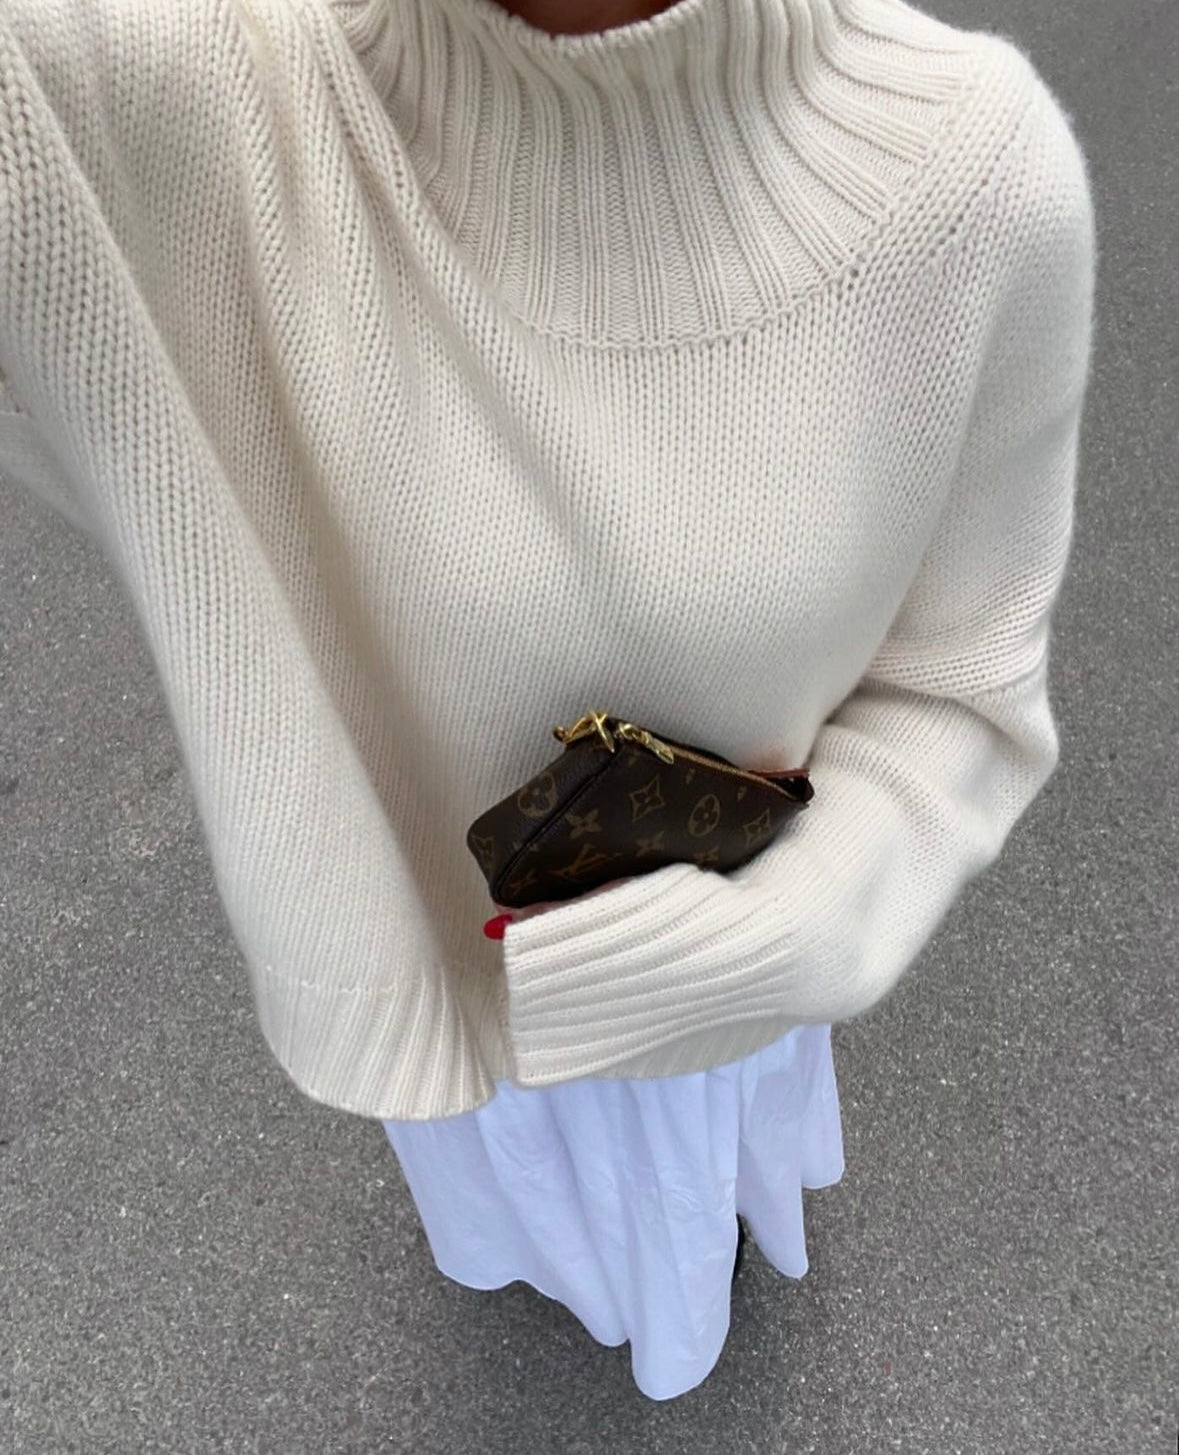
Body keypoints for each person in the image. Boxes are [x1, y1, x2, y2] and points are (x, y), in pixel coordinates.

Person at [0, 0, 1095, 1404]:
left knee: (691, 1192)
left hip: (747, 942)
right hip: (446, 951)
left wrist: (779, 942)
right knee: (549, 1213)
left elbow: (962, 691)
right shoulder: (169, 88)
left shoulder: (978, 173)